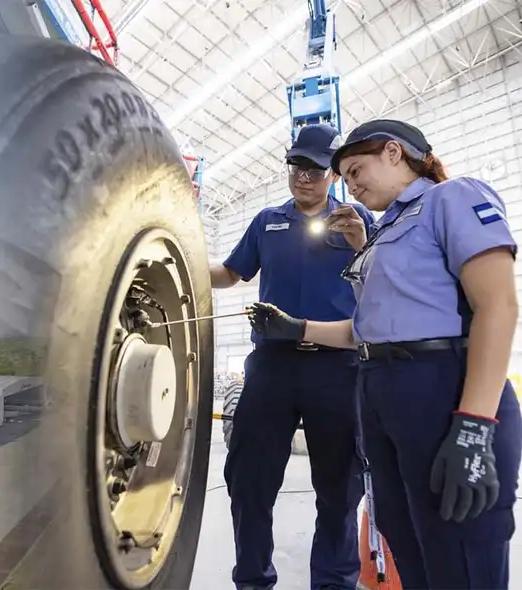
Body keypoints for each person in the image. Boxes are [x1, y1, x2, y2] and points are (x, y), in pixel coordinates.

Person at [247, 118, 522, 589]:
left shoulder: (451, 198)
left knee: (457, 544)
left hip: (440, 386)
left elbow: (497, 304)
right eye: (345, 177)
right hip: (382, 394)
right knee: (407, 536)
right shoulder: (383, 231)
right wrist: (297, 328)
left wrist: (475, 426)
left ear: (394, 152)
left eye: (356, 171)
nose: (351, 186)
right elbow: (369, 328)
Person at [210, 123, 376, 590]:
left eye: (315, 169)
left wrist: (363, 243)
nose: (304, 176)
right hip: (273, 367)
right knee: (249, 480)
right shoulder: (267, 222)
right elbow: (230, 273)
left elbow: (388, 279)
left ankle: (333, 583)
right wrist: (176, 260)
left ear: (334, 174)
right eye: (297, 166)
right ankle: (253, 579)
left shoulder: (357, 219)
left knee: (339, 488)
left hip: (338, 367)